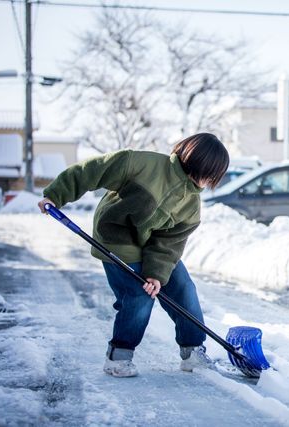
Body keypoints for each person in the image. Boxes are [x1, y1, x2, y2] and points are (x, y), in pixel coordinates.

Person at [37, 133, 229, 377]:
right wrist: (56, 194)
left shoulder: (191, 205)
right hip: (117, 238)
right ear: (195, 159)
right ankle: (119, 356)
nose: (208, 180)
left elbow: (169, 242)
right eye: (209, 172)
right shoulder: (142, 164)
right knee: (138, 295)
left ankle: (192, 351)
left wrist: (156, 274)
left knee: (183, 287)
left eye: (213, 176)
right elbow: (94, 170)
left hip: (149, 244)